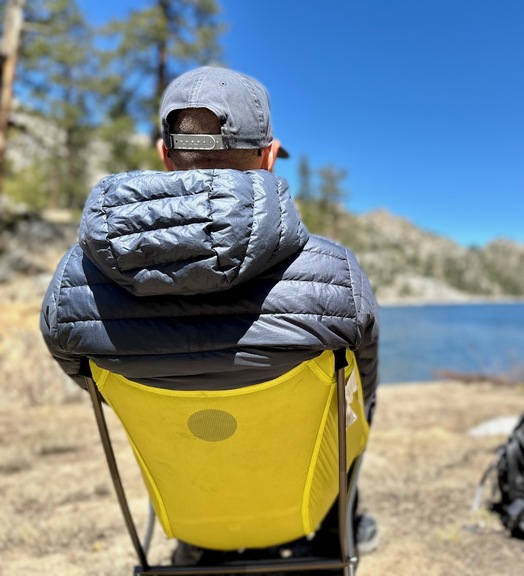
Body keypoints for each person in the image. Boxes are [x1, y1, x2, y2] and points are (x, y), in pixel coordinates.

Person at [39, 66, 379, 565]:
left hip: (191, 501)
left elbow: (97, 389)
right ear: (268, 156)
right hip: (302, 507)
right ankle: (337, 532)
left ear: (164, 155)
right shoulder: (336, 276)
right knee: (352, 412)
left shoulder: (75, 281)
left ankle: (201, 533)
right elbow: (358, 394)